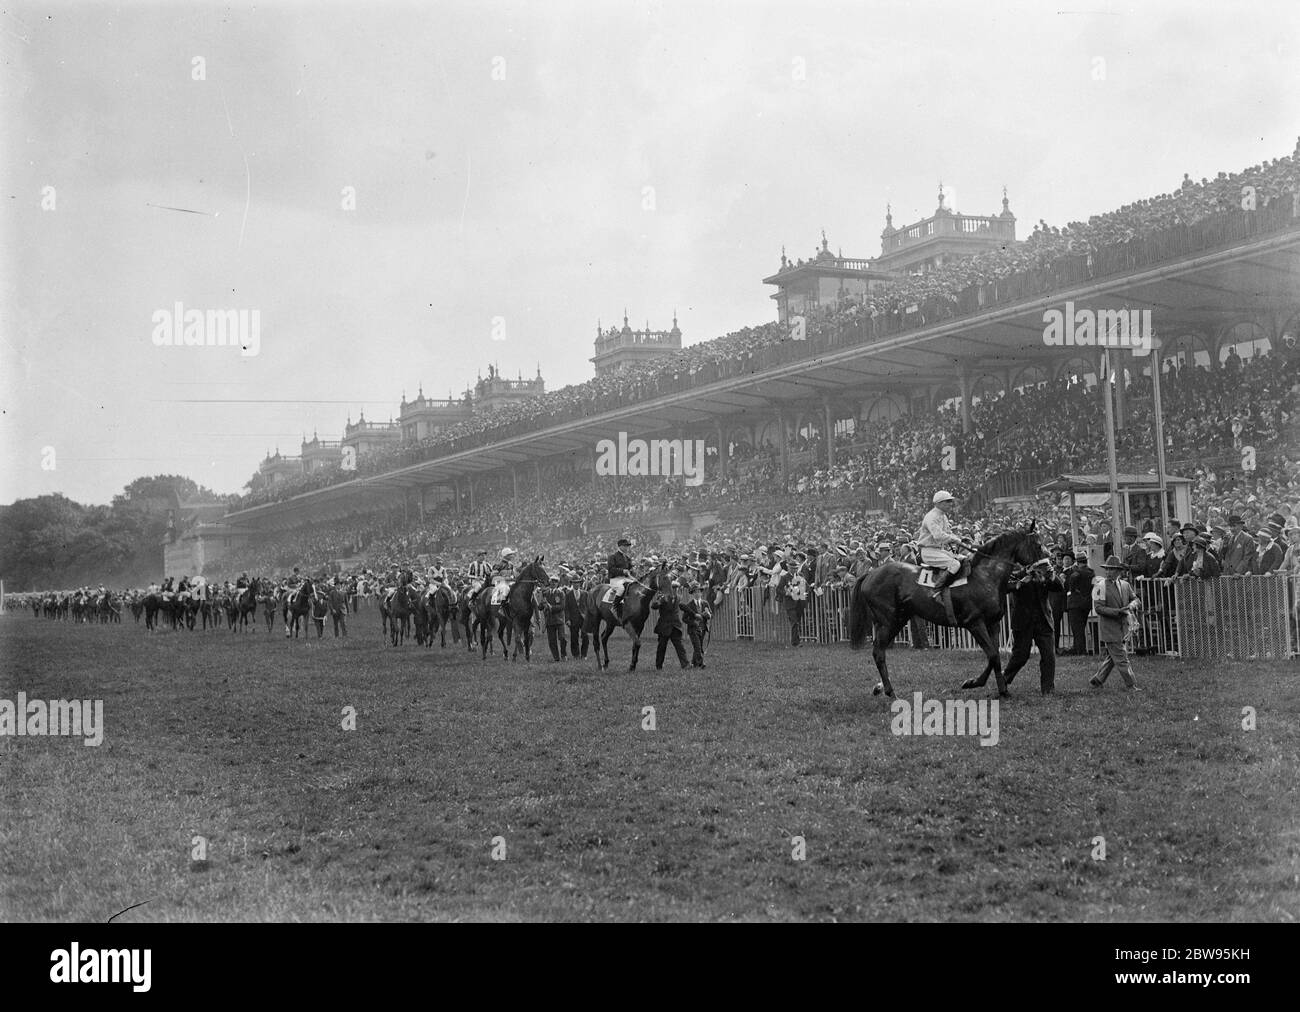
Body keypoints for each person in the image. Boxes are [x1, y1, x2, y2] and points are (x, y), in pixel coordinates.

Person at [1002, 559, 1062, 694]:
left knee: (1049, 656)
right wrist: (1023, 580)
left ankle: (1048, 690)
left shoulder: (1046, 572)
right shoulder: (1017, 573)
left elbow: (1059, 588)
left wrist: (1051, 575)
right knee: (1020, 656)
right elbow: (1004, 587)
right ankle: (1003, 681)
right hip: (1023, 622)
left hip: (1044, 621)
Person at [1089, 555, 1140, 691]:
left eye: (1112, 569)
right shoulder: (1099, 586)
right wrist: (1118, 611)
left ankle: (1098, 679)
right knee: (1122, 658)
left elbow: (1136, 599)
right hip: (1110, 628)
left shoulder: (1125, 585)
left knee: (1114, 656)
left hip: (1124, 628)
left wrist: (1131, 606)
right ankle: (1131, 685)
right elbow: (1099, 608)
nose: (1109, 572)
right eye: (1107, 569)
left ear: (1119, 571)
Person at [917, 490, 970, 597]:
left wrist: (960, 540)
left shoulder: (943, 516)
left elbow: (949, 533)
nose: (950, 504)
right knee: (955, 564)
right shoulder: (931, 516)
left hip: (939, 550)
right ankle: (938, 588)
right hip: (928, 551)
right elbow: (939, 536)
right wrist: (956, 540)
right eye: (947, 501)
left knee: (964, 558)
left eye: (950, 501)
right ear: (938, 503)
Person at [650, 579, 689, 670]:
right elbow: (653, 606)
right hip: (664, 626)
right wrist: (659, 601)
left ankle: (685, 664)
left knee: (680, 646)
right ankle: (659, 666)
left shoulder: (678, 597)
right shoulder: (663, 597)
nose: (674, 590)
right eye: (673, 588)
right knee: (661, 647)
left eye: (676, 588)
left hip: (675, 625)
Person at [1064, 551, 1094, 655]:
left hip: (1075, 603)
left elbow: (1071, 582)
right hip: (1086, 603)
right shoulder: (1091, 572)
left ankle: (1081, 650)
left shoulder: (1077, 572)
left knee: (1077, 629)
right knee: (1081, 626)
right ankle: (1078, 648)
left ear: (1077, 562)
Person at [680, 582, 710, 668]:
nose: (697, 594)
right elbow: (684, 619)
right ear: (692, 594)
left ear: (701, 593)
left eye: (698, 592)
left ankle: (694, 663)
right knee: (697, 646)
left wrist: (707, 615)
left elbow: (710, 614)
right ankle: (701, 663)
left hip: (703, 628)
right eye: (695, 592)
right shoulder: (689, 605)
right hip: (693, 629)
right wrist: (693, 623)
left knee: (699, 646)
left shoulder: (705, 603)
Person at [607, 537, 635, 620]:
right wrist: (622, 571)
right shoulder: (612, 557)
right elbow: (611, 569)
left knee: (635, 585)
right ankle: (614, 606)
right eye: (625, 546)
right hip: (615, 579)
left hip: (625, 578)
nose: (627, 548)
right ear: (620, 546)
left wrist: (632, 570)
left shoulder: (627, 558)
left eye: (627, 546)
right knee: (621, 588)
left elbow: (630, 569)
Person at [785, 558, 809, 647]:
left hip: (800, 602)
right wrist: (787, 593)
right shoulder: (785, 577)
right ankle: (795, 642)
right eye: (792, 568)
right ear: (789, 568)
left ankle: (796, 640)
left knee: (797, 622)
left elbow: (807, 587)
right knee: (794, 621)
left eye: (795, 568)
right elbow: (779, 589)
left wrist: (805, 592)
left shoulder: (801, 577)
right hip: (790, 603)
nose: (794, 570)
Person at [543, 576, 567, 661]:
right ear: (550, 582)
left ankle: (564, 654)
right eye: (552, 581)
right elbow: (540, 607)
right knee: (552, 640)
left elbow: (562, 606)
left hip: (559, 619)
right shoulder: (545, 593)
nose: (553, 583)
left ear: (558, 583)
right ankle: (556, 657)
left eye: (555, 582)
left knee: (562, 638)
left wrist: (551, 607)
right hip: (549, 620)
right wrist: (543, 605)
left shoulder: (561, 593)